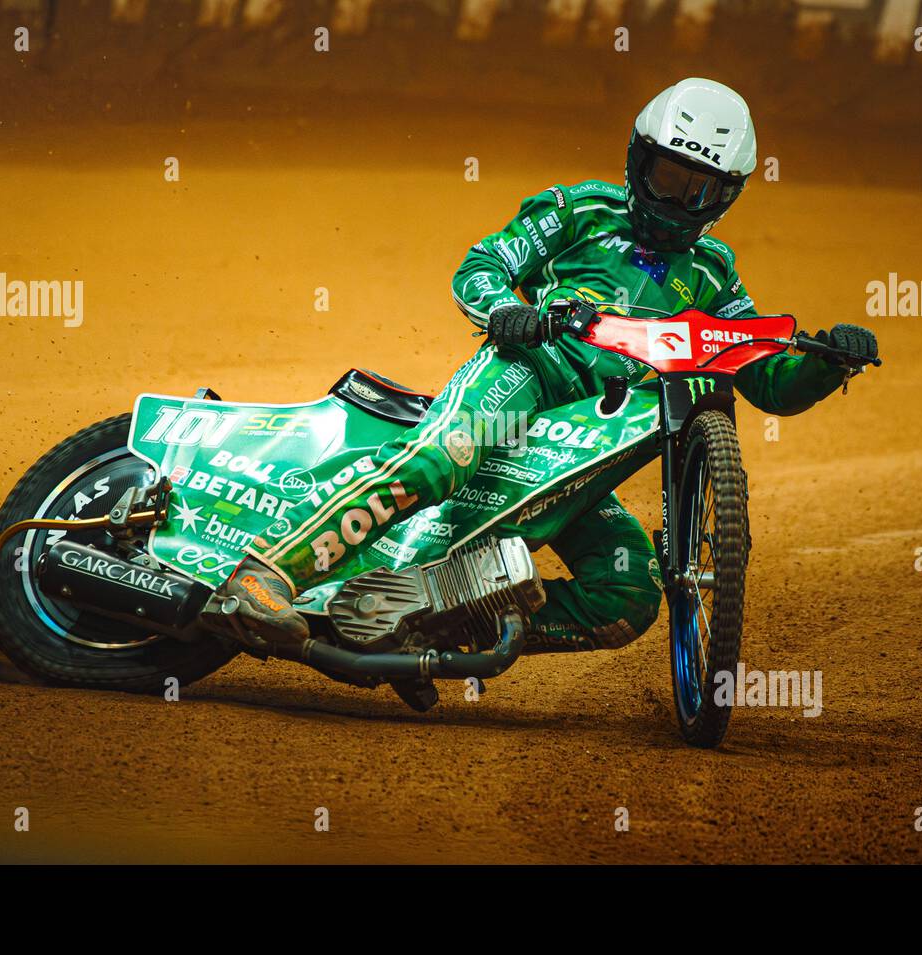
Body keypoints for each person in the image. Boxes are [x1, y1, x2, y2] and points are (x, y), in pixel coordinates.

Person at [215, 77, 878, 653]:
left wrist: (828, 364)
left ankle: (426, 622)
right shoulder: (579, 210)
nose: (677, 202)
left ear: (727, 197)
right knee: (439, 457)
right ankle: (267, 573)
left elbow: (764, 379)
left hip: (587, 442)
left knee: (627, 593)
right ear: (636, 161)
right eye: (667, 179)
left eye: (700, 191)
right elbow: (483, 266)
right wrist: (506, 311)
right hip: (526, 373)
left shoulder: (714, 274)